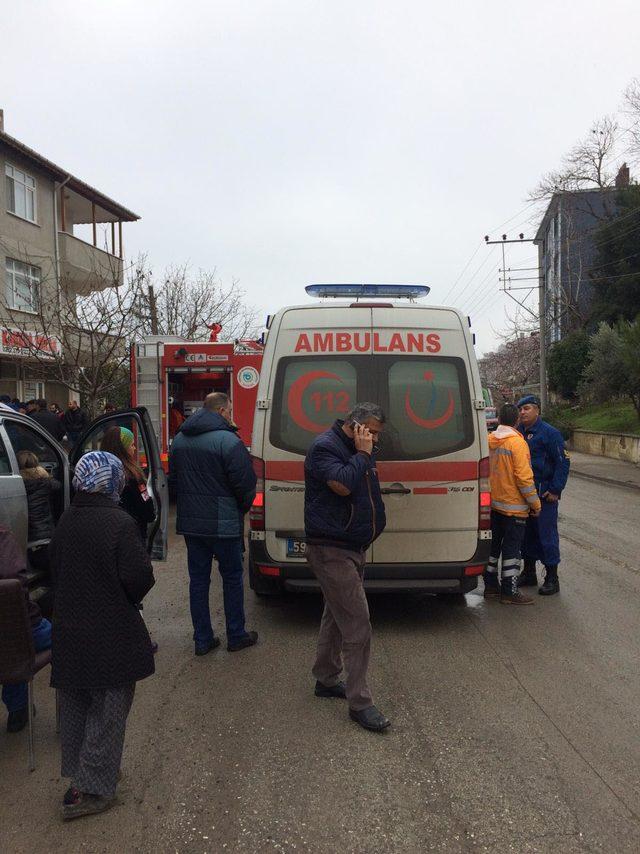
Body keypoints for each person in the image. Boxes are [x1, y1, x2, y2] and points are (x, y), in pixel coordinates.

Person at [49, 451, 155, 820]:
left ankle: (84, 773)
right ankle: (91, 789)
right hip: (110, 633)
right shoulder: (119, 523)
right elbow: (140, 578)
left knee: (77, 707)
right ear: (112, 481)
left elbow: (55, 572)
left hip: (70, 633)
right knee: (109, 709)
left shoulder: (66, 520)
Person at [304, 403, 389, 733]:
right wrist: (363, 454)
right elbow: (341, 484)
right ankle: (360, 703)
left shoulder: (361, 449)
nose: (375, 440)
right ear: (356, 427)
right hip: (330, 548)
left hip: (350, 546)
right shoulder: (325, 447)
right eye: (372, 432)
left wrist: (364, 453)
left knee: (336, 616)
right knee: (357, 623)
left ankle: (325, 679)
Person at [170, 392, 257, 655]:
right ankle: (236, 635)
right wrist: (241, 509)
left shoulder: (180, 440)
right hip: (223, 522)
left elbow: (174, 480)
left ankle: (202, 639)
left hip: (191, 524)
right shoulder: (229, 441)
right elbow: (245, 484)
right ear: (221, 411)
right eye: (229, 411)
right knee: (231, 578)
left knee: (198, 580)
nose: (231, 415)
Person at [484, 403, 541, 605]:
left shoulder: (489, 440)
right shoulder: (517, 443)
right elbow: (524, 478)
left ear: (499, 419)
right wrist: (535, 504)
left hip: (493, 504)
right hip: (514, 507)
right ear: (516, 420)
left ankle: (490, 585)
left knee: (493, 547)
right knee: (512, 550)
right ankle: (510, 590)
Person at [0, 524, 53, 733]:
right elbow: (16, 589)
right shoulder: (3, 539)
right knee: (68, 635)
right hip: (25, 630)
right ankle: (76, 709)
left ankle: (18, 708)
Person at [517, 395, 570, 596]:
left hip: (544, 496)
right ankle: (529, 572)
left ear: (537, 410)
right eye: (520, 409)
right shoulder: (518, 433)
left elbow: (562, 463)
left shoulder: (550, 433)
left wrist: (556, 489)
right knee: (526, 536)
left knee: (546, 536)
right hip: (523, 496)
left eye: (527, 408)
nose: (523, 412)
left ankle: (552, 578)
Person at [100, 426, 155, 541]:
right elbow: (147, 511)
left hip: (105, 534)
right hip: (132, 536)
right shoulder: (132, 476)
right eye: (132, 445)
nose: (134, 448)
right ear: (122, 448)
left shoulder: (98, 474)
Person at [17, 450, 62, 570]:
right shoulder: (45, 482)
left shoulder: (17, 484)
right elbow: (58, 486)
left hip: (23, 543)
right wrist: (46, 474)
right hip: (45, 541)